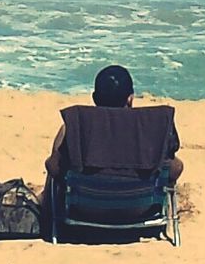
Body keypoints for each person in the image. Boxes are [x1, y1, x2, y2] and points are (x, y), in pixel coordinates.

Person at [44, 64, 183, 182]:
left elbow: (54, 168)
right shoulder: (151, 127)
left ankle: (45, 207)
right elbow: (175, 170)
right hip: (141, 210)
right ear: (130, 98)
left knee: (62, 141)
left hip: (85, 209)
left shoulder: (77, 126)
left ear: (94, 98)